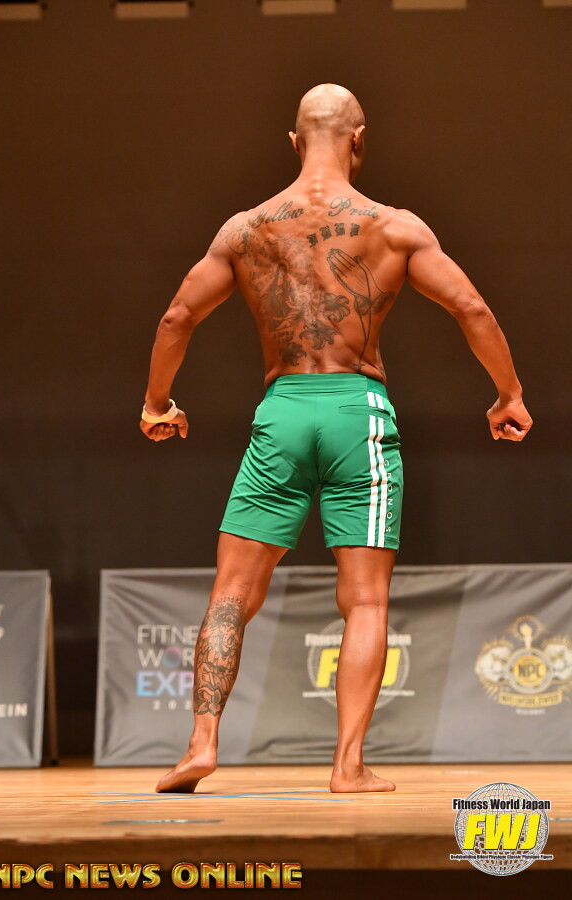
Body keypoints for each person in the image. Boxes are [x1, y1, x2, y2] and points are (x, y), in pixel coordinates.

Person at [140, 84, 532, 793]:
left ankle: (200, 745)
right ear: (360, 140)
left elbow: (176, 318)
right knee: (366, 601)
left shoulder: (246, 230)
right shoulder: (394, 227)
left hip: (282, 411)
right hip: (358, 411)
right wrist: (508, 394)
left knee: (231, 591)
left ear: (294, 142)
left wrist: (156, 403)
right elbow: (471, 307)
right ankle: (347, 766)